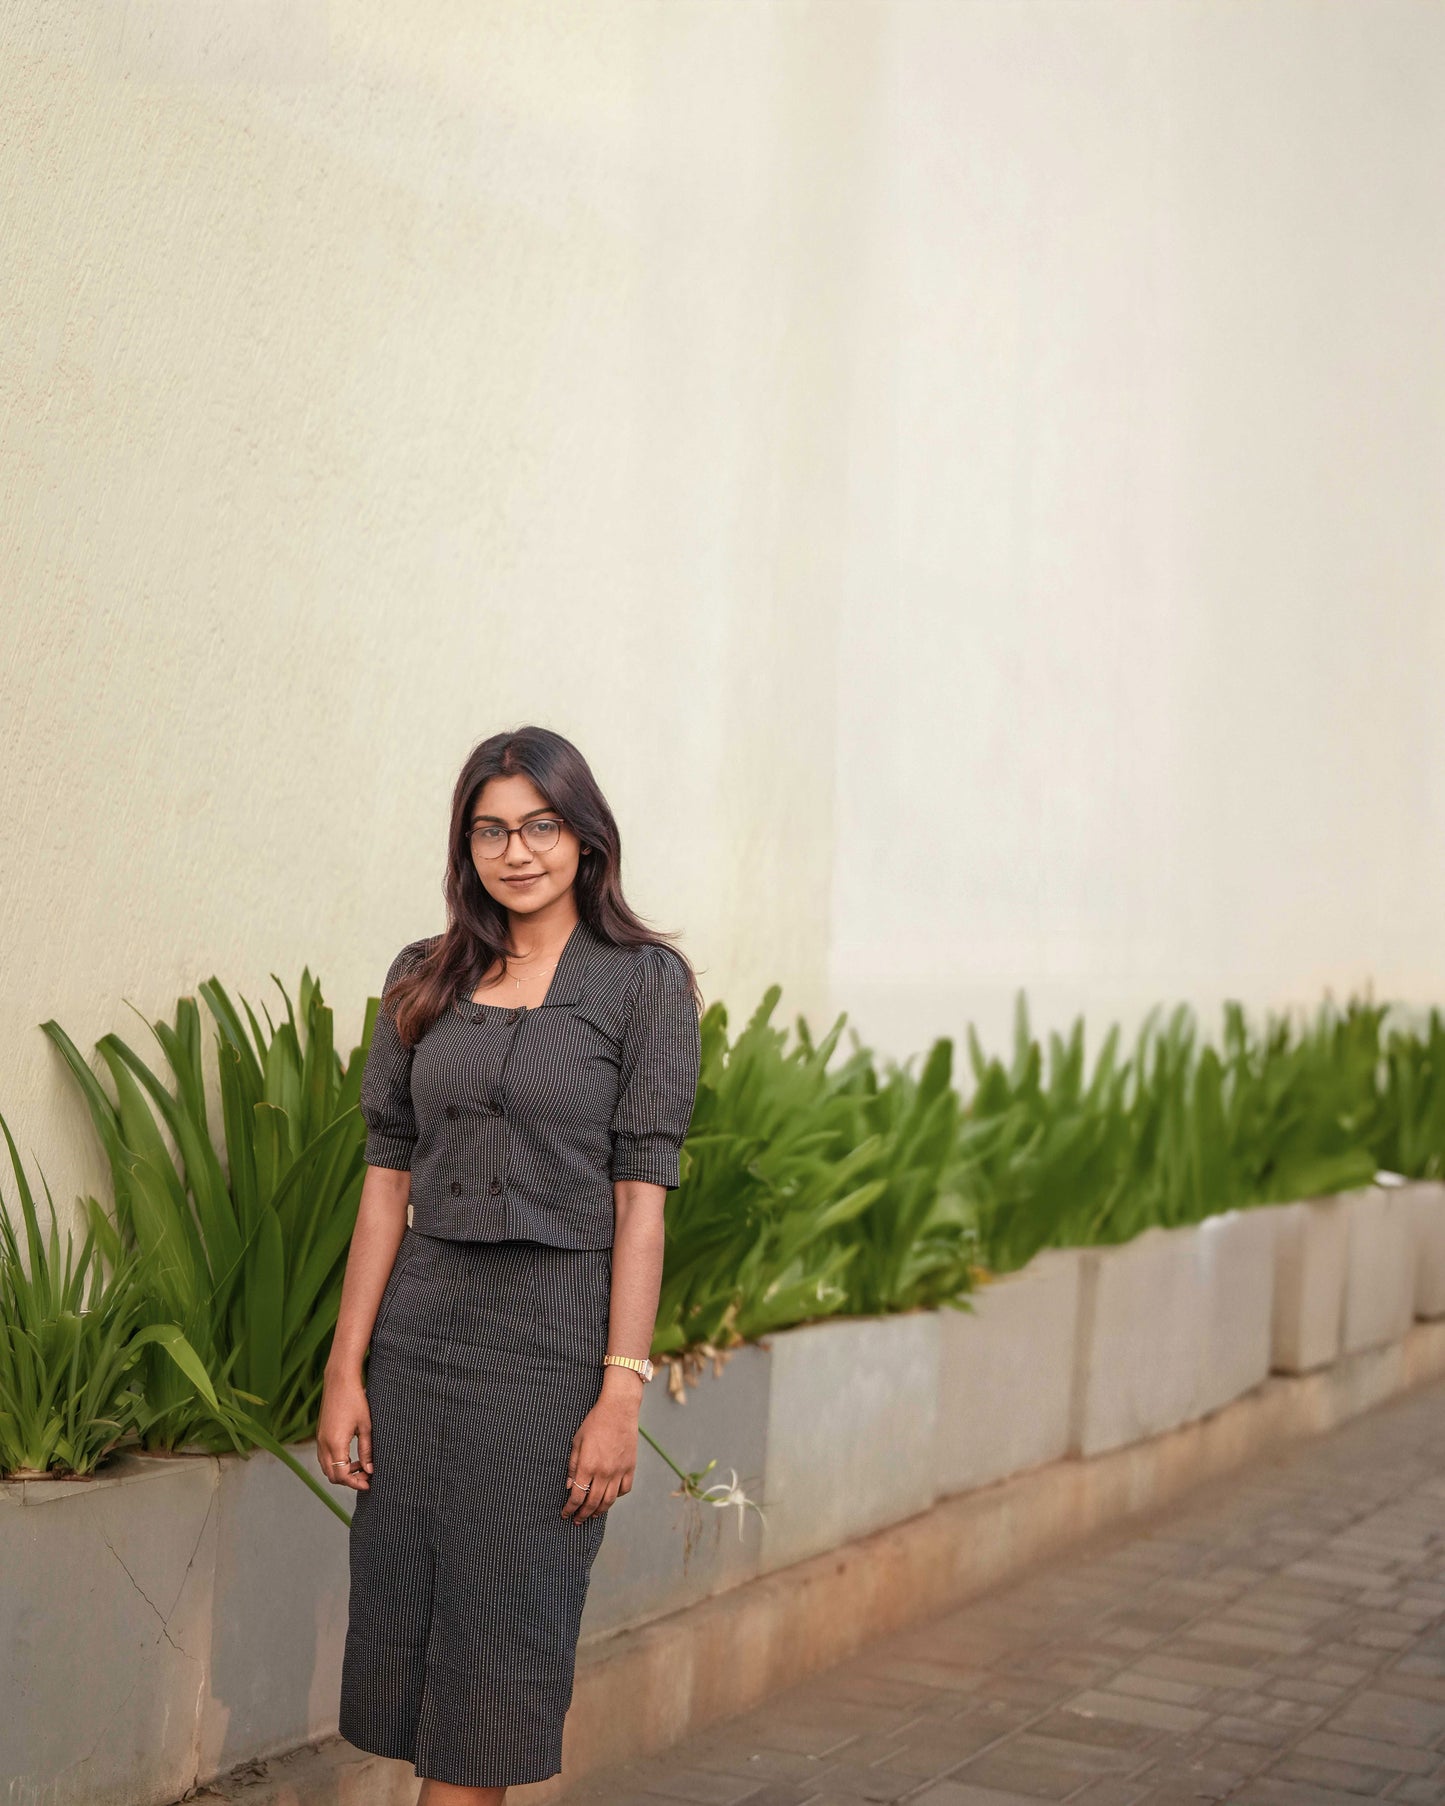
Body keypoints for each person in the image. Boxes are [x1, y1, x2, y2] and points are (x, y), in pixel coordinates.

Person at [319, 724, 703, 1803]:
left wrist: (617, 1395)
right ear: (465, 846)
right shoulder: (424, 975)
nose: (515, 850)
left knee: (495, 1668)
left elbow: (641, 1203)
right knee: (409, 1638)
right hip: (418, 1338)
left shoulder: (642, 987)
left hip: (546, 1349)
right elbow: (386, 1179)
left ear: (585, 837)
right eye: (489, 829)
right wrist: (346, 1368)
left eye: (539, 824)